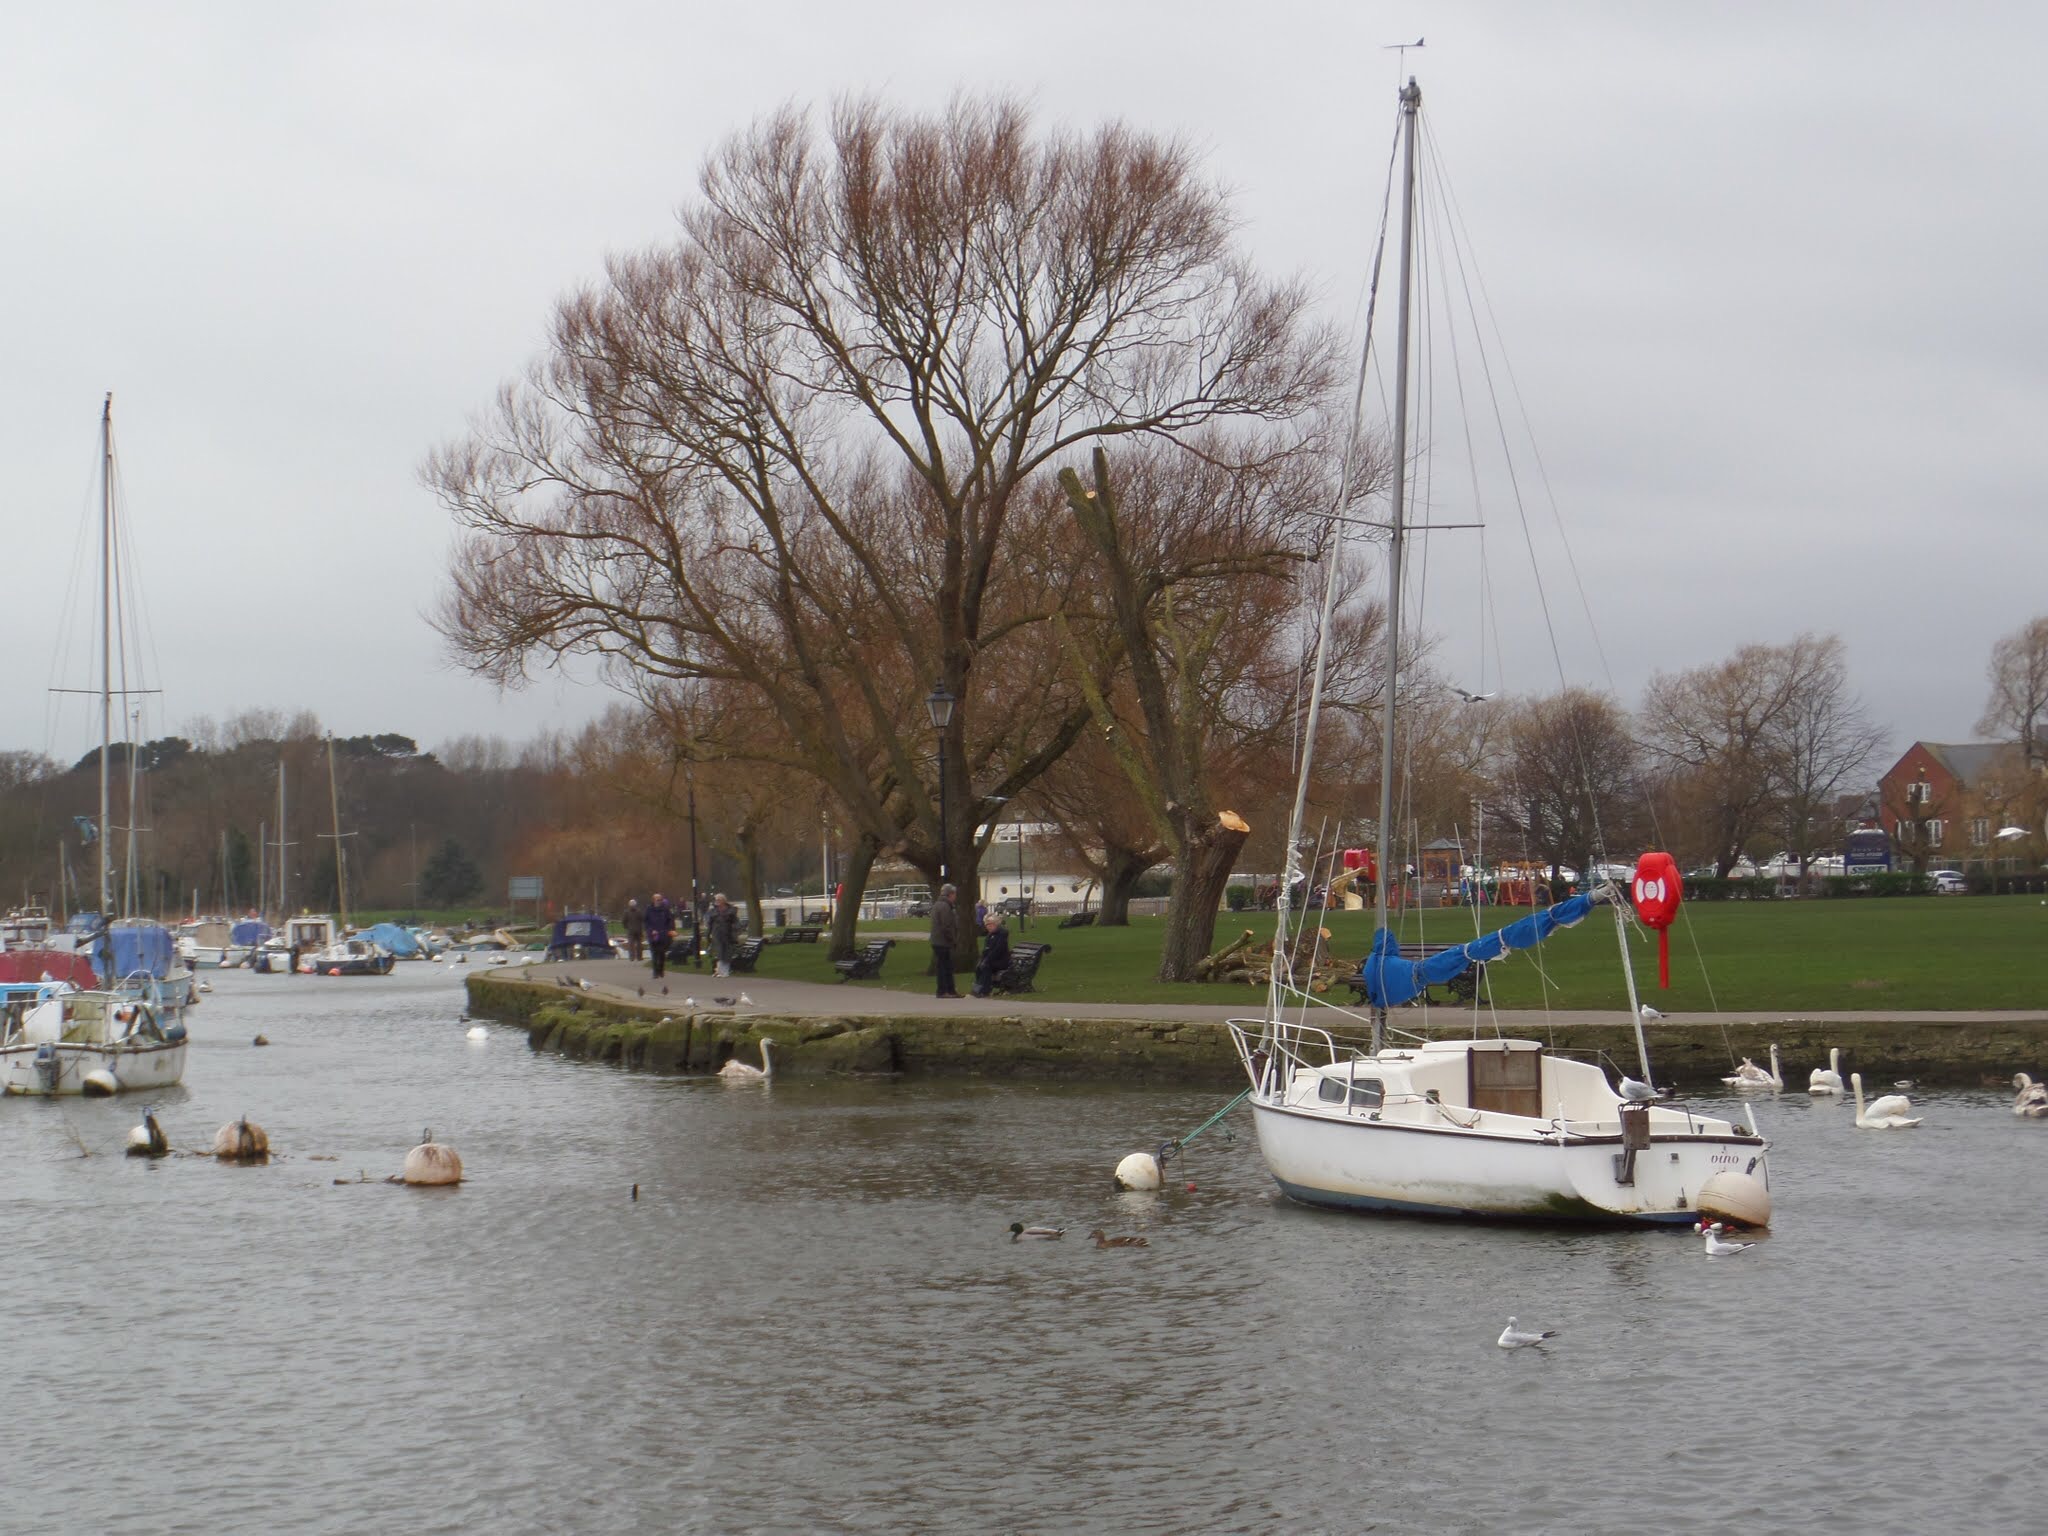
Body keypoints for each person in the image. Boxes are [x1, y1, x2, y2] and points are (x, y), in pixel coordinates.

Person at [929, 882, 962, 999]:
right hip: (942, 941)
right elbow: (946, 925)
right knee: (944, 966)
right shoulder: (945, 906)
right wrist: (953, 939)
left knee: (945, 965)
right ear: (951, 894)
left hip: (937, 940)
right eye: (954, 894)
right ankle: (944, 990)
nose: (955, 897)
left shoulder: (938, 904)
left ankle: (949, 989)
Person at [971, 911, 1011, 997]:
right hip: (992, 960)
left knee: (986, 966)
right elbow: (986, 950)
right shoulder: (990, 935)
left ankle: (985, 990)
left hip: (1001, 960)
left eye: (990, 924)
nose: (988, 927)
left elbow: (998, 950)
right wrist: (982, 959)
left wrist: (987, 960)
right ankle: (978, 989)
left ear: (995, 923)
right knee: (979, 967)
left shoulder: (1002, 934)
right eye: (986, 925)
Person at [706, 892, 740, 978]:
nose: (717, 901)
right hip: (717, 934)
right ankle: (719, 971)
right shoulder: (713, 911)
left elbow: (735, 922)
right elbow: (709, 923)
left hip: (728, 934)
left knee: (727, 953)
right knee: (719, 952)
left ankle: (725, 971)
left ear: (723, 901)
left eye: (718, 900)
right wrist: (708, 934)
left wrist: (735, 932)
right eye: (716, 900)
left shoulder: (731, 910)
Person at [645, 893, 676, 979]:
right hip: (653, 935)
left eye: (660, 900)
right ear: (653, 900)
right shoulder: (649, 909)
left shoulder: (665, 909)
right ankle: (655, 972)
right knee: (654, 953)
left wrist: (670, 930)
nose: (659, 902)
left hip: (663, 934)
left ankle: (661, 969)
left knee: (661, 953)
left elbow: (670, 921)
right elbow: (646, 922)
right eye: (657, 900)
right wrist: (651, 930)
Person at [622, 897, 645, 963]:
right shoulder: (639, 911)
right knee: (639, 944)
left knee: (631, 944)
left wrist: (626, 927)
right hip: (638, 930)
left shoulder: (626, 912)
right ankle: (639, 957)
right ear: (635, 905)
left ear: (629, 905)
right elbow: (643, 919)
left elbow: (624, 921)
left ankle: (632, 957)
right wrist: (642, 927)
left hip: (630, 930)